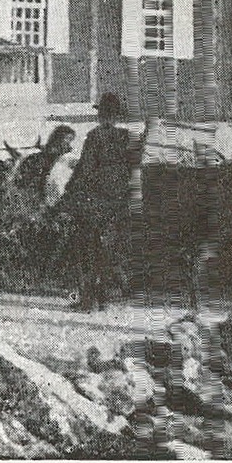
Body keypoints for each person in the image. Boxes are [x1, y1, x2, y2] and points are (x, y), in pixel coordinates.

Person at [57, 94, 141, 311]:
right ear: (117, 116)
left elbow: (85, 170)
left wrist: (67, 195)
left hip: (95, 204)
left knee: (86, 249)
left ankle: (88, 301)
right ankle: (104, 298)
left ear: (101, 114)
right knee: (109, 251)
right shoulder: (128, 137)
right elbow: (136, 170)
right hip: (120, 204)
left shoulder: (95, 137)